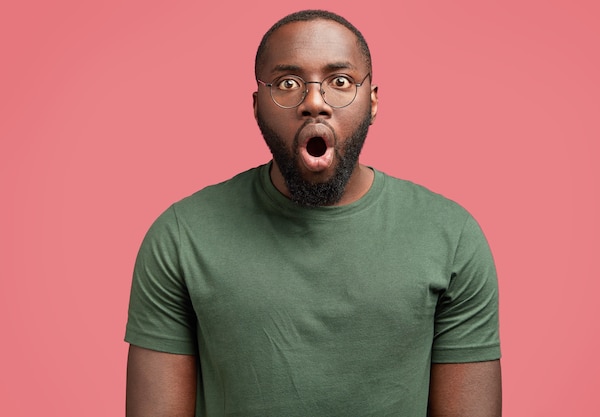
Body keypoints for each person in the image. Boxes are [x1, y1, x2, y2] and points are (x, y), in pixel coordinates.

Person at [125, 9, 501, 417]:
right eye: (288, 83)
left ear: (372, 101)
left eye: (340, 82)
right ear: (256, 106)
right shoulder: (181, 237)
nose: (315, 102)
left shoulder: (451, 237)